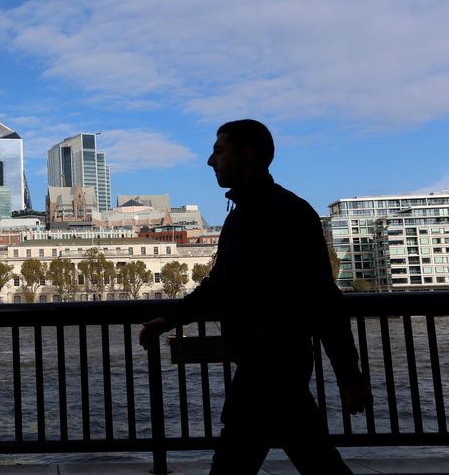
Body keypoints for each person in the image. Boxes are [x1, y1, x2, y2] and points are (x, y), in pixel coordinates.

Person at [140, 119, 373, 474]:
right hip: (273, 362)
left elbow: (322, 298)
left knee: (248, 461)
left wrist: (349, 376)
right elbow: (220, 286)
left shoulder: (278, 213)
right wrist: (168, 320)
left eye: (219, 150)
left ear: (245, 154)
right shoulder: (262, 213)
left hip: (268, 365)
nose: (210, 161)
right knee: (312, 458)